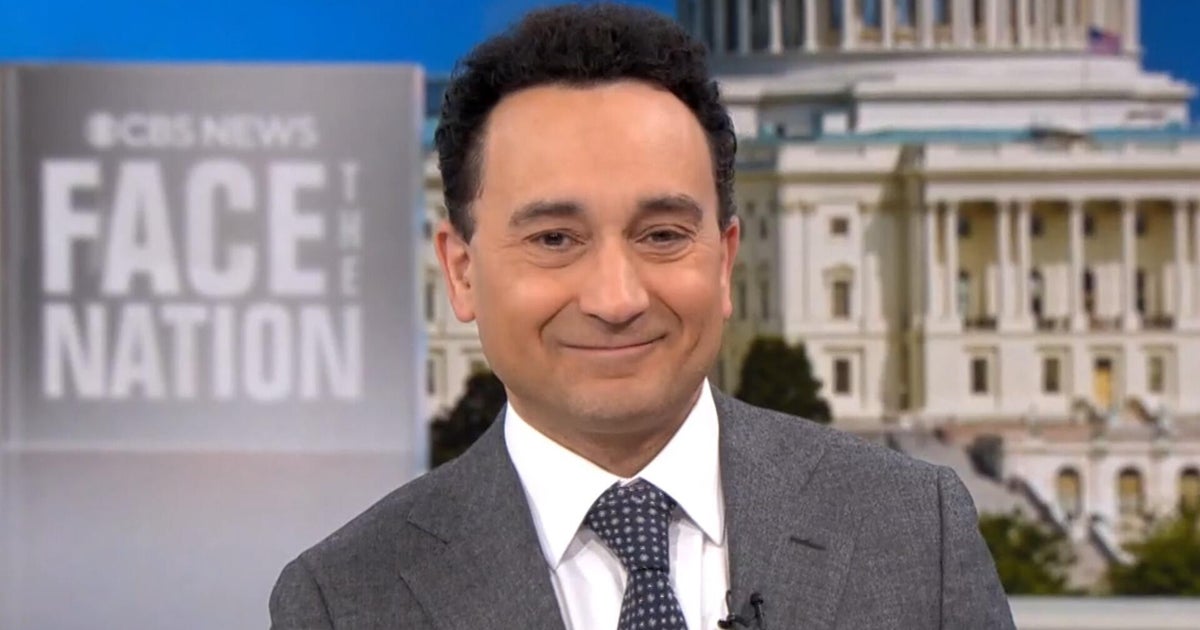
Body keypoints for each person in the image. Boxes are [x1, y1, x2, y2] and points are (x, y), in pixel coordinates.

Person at [269, 4, 1015, 629]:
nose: (616, 298)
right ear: (462, 272)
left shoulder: (914, 532)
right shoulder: (346, 600)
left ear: (723, 260)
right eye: (554, 240)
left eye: (661, 235)